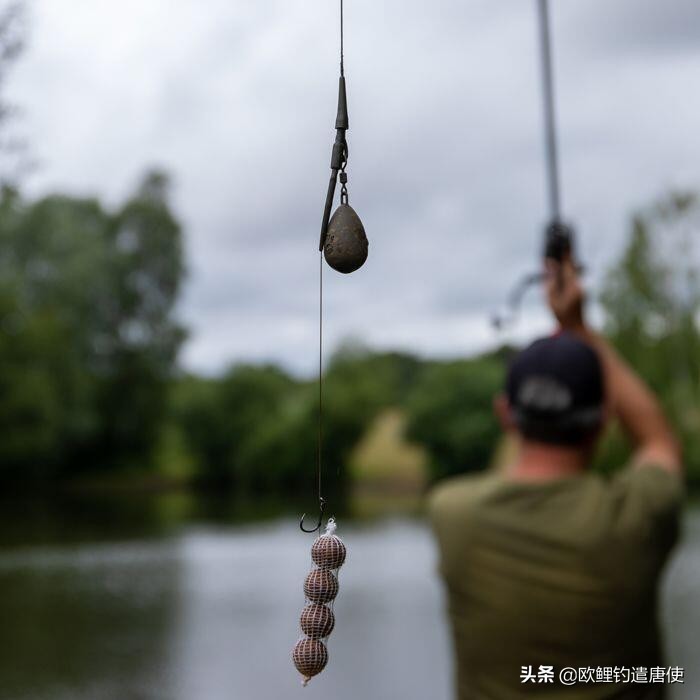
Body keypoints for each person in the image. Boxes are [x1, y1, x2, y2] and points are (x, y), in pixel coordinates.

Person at [428, 258, 684, 699]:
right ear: (605, 419)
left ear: (505, 415)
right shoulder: (639, 512)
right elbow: (658, 442)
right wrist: (579, 326)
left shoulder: (453, 514)